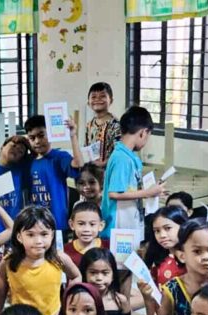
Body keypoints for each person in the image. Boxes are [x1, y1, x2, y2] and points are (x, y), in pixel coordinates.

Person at [0, 206, 82, 315]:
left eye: (44, 234)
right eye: (30, 234)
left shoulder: (59, 258)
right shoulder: (8, 263)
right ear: (19, 236)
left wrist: (68, 305)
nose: (38, 241)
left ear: (52, 234)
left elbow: (76, 276)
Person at [100, 106, 166, 241]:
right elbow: (114, 193)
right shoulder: (122, 158)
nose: (146, 141)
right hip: (118, 225)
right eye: (147, 137)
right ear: (143, 132)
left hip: (128, 221)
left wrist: (152, 191)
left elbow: (129, 189)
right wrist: (147, 193)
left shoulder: (127, 156)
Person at [24, 114, 83, 230]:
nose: (37, 141)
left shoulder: (59, 157)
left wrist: (73, 135)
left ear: (51, 134)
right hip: (34, 224)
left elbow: (79, 163)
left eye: (41, 136)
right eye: (32, 138)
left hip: (57, 223)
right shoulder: (28, 162)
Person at [143, 205, 188, 284]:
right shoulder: (156, 257)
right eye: (157, 231)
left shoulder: (192, 258)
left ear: (183, 226)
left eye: (168, 228)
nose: (162, 235)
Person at [84, 81, 122, 167]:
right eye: (93, 97)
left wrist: (104, 163)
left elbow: (119, 153)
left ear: (111, 100)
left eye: (102, 96)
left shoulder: (116, 125)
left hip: (110, 171)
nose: (97, 99)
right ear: (88, 102)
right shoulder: (89, 125)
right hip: (93, 172)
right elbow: (86, 148)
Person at [64, 200, 105, 268]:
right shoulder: (64, 251)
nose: (86, 229)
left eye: (92, 224)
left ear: (101, 225)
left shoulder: (109, 247)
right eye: (81, 224)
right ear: (72, 224)